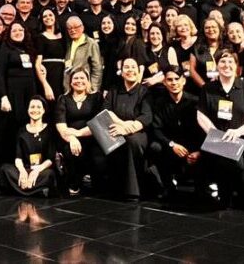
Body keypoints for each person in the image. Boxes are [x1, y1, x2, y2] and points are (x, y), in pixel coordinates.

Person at [197, 50, 244, 209]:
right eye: (223, 61)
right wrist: (216, 135)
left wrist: (238, 132)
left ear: (237, 67)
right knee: (232, 164)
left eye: (231, 62)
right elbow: (201, 115)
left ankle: (239, 187)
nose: (226, 65)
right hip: (219, 143)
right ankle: (225, 190)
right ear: (217, 65)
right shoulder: (207, 89)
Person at [102, 57, 157, 200]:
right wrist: (121, 124)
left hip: (138, 131)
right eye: (127, 67)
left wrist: (127, 129)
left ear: (139, 71)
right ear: (121, 72)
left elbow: (146, 117)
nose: (130, 70)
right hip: (116, 128)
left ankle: (134, 191)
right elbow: (105, 111)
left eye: (133, 67)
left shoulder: (145, 92)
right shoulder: (114, 90)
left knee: (133, 141)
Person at [148, 66, 204, 198]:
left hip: (193, 148)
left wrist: (199, 151)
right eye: (169, 80)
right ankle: (168, 186)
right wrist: (172, 145)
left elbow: (204, 130)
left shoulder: (196, 102)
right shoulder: (159, 103)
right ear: (164, 83)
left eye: (177, 79)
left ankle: (202, 188)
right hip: (172, 146)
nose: (173, 83)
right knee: (155, 147)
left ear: (183, 81)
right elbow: (156, 129)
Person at [55, 69, 105, 195]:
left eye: (82, 78)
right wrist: (72, 138)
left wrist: (78, 133)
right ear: (70, 82)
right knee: (70, 150)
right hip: (70, 139)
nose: (79, 81)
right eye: (76, 78)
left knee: (97, 155)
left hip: (92, 137)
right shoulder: (63, 99)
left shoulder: (96, 97)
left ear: (88, 81)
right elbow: (61, 125)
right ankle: (74, 183)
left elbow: (98, 122)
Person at [0, 22, 38, 163]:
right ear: (9, 33)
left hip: (29, 95)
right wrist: (3, 97)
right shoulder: (5, 49)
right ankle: (6, 164)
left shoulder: (28, 49)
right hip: (12, 96)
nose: (18, 32)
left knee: (26, 128)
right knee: (10, 130)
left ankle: (24, 161)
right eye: (14, 30)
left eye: (21, 30)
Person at [0, 96, 57, 197]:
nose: (35, 110)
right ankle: (37, 191)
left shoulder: (49, 130)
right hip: (25, 169)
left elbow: (50, 158)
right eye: (32, 107)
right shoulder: (21, 131)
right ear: (28, 110)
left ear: (43, 110)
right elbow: (18, 157)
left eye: (38, 107)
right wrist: (23, 172)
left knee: (50, 175)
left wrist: (36, 171)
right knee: (4, 169)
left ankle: (19, 190)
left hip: (41, 170)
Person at [63, 16, 103, 93]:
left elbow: (97, 68)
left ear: (82, 28)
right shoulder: (69, 44)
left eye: (75, 27)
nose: (73, 30)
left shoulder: (91, 43)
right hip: (70, 89)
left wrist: (93, 89)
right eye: (70, 28)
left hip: (86, 90)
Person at [36, 10, 66, 104]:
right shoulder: (40, 37)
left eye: (50, 15)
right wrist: (45, 85)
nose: (48, 18)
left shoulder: (63, 35)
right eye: (45, 16)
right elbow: (37, 64)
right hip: (49, 74)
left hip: (63, 74)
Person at [189, 18, 225, 90]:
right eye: (207, 28)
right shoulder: (197, 48)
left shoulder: (227, 46)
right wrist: (205, 87)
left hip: (224, 87)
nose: (211, 30)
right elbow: (191, 70)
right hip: (202, 88)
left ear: (219, 29)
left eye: (214, 27)